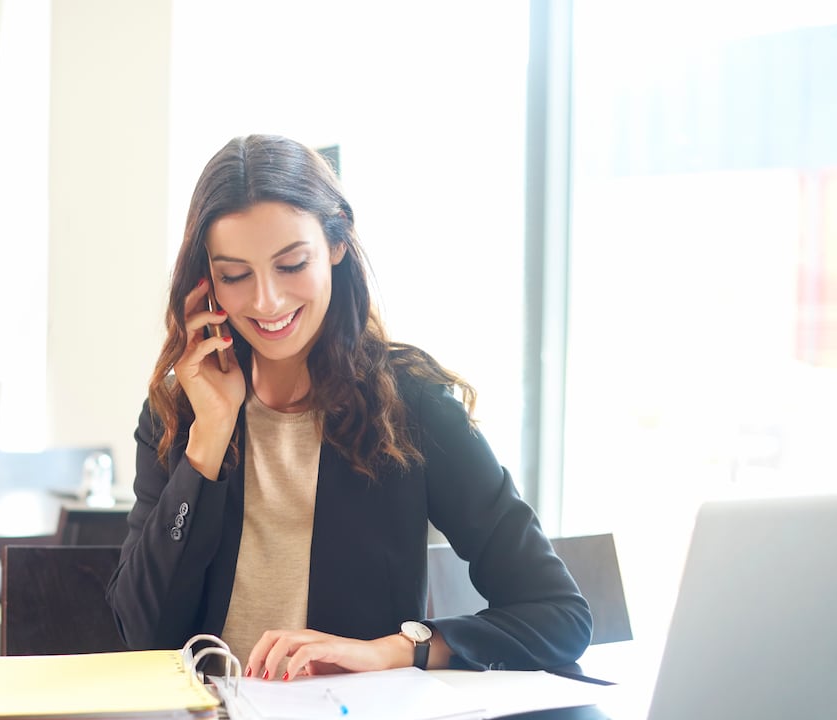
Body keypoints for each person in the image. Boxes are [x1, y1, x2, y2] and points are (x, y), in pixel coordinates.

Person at [107, 134, 590, 680]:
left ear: (336, 242)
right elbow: (143, 635)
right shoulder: (181, 413)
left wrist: (397, 649)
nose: (266, 301)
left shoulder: (411, 406)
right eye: (235, 275)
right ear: (207, 284)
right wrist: (209, 439)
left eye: (291, 265)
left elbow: (558, 614)